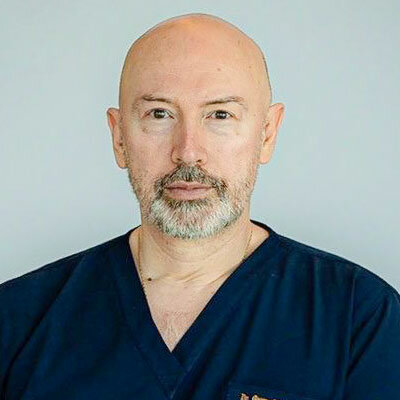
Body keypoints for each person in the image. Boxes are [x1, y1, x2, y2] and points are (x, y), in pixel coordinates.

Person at [1, 12, 399, 400]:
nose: (188, 151)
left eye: (220, 115)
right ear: (119, 137)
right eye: (159, 114)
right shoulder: (16, 320)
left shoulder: (358, 317)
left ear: (266, 134)